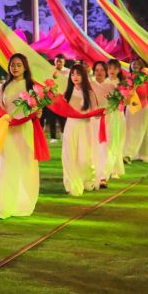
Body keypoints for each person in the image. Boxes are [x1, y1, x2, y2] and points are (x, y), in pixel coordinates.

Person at [0, 53, 39, 219]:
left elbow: (37, 109)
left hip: (24, 130)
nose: (15, 68)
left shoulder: (31, 85)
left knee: (25, 164)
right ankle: (5, 204)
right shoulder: (5, 86)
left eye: (19, 65)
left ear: (25, 67)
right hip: (8, 130)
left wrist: (37, 111)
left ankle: (23, 203)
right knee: (6, 165)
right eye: (12, 65)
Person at [61, 64, 99, 196]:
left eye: (78, 74)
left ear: (84, 76)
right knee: (69, 155)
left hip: (85, 127)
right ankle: (71, 183)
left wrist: (100, 113)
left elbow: (95, 112)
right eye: (72, 74)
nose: (75, 77)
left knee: (84, 157)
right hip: (70, 126)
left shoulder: (89, 93)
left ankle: (87, 180)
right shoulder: (67, 93)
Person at [123, 57, 148, 163]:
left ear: (141, 66)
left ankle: (142, 154)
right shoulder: (128, 78)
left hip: (143, 107)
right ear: (130, 66)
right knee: (130, 130)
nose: (135, 66)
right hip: (131, 107)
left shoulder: (145, 78)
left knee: (143, 130)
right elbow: (125, 93)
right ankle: (128, 153)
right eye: (133, 64)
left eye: (137, 64)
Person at [90, 61, 115, 188]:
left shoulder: (112, 87)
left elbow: (121, 103)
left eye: (101, 70)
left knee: (104, 148)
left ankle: (103, 176)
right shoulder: (89, 85)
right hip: (91, 120)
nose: (99, 72)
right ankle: (93, 174)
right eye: (97, 70)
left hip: (106, 120)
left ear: (106, 72)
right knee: (92, 147)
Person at [105, 59, 127, 178]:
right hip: (106, 115)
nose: (112, 71)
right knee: (106, 142)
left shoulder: (122, 84)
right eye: (110, 68)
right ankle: (105, 167)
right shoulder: (103, 82)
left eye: (115, 68)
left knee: (116, 141)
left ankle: (115, 169)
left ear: (119, 70)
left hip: (117, 115)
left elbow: (126, 102)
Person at [45, 54, 70, 142]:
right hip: (51, 98)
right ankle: (53, 137)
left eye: (60, 61)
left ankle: (64, 134)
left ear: (64, 62)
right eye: (57, 61)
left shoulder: (68, 72)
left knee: (63, 118)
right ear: (54, 61)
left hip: (63, 98)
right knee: (51, 118)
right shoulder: (51, 70)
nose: (58, 63)